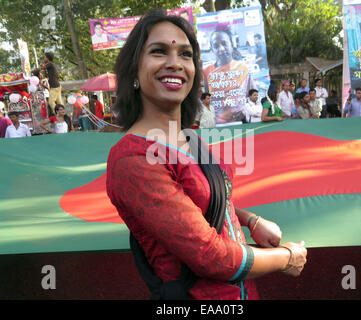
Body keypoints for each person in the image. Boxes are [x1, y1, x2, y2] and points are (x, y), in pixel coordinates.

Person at [107, 10, 307, 300]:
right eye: (159, 51)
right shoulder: (133, 158)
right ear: (133, 71)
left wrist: (250, 220)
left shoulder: (190, 137)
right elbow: (211, 255)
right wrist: (287, 257)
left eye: (186, 54)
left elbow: (202, 203)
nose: (175, 63)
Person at [203, 27, 256, 124]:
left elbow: (253, 96)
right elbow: (203, 101)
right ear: (212, 49)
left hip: (242, 121)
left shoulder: (243, 69)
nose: (221, 49)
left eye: (224, 43)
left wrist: (244, 111)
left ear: (231, 44)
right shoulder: (206, 72)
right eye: (216, 46)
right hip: (217, 125)